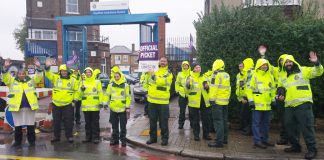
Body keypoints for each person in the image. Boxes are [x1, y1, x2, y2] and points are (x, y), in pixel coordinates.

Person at [277, 52, 323, 159]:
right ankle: (295, 146)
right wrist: (280, 94)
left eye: (289, 61)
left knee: (306, 127)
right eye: (286, 62)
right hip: (289, 105)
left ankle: (312, 149)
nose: (288, 63)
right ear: (283, 65)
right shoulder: (283, 76)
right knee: (289, 127)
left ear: (293, 62)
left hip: (303, 104)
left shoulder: (304, 70)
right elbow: (280, 87)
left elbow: (319, 72)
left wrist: (316, 62)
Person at [2, 58, 43, 147]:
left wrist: (39, 67)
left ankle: (32, 142)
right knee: (18, 126)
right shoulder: (12, 81)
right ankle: (17, 142)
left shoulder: (31, 80)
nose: (21, 75)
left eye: (23, 74)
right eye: (20, 74)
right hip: (17, 107)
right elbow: (5, 78)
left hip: (29, 107)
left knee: (30, 125)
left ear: (25, 74)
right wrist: (5, 67)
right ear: (17, 74)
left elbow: (39, 76)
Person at [45, 58, 79, 143]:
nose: (64, 72)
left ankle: (69, 136)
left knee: (69, 121)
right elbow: (48, 74)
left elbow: (77, 91)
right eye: (62, 71)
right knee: (56, 122)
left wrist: (74, 101)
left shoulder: (73, 79)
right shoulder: (56, 78)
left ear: (67, 71)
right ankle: (56, 137)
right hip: (56, 104)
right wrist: (47, 67)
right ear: (60, 71)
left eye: (65, 71)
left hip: (68, 104)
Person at [246, 59, 276, 149]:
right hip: (257, 104)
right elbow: (249, 89)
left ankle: (264, 140)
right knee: (256, 123)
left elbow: (273, 89)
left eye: (266, 65)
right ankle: (257, 141)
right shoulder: (254, 75)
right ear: (259, 66)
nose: (265, 66)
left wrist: (273, 100)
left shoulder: (270, 76)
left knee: (266, 123)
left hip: (267, 105)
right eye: (263, 65)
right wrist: (251, 101)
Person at [146, 57, 173, 146]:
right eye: (161, 61)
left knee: (163, 122)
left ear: (167, 62)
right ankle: (153, 138)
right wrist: (147, 73)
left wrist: (153, 75)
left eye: (164, 61)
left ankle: (164, 139)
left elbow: (161, 82)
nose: (162, 62)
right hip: (152, 101)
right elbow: (148, 81)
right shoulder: (154, 70)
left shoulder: (168, 73)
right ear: (159, 62)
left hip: (163, 103)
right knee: (152, 121)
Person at [207, 59, 231, 148]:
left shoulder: (215, 75)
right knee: (224, 121)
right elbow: (228, 89)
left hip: (217, 102)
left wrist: (212, 100)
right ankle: (224, 139)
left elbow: (213, 88)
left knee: (218, 121)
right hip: (225, 102)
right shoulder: (226, 75)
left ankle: (219, 141)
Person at [105, 71, 131, 147]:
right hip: (113, 109)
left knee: (123, 126)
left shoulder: (126, 85)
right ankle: (115, 140)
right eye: (115, 76)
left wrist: (127, 107)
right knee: (114, 126)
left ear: (121, 77)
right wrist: (104, 104)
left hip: (123, 109)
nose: (116, 78)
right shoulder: (110, 85)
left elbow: (128, 97)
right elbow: (107, 95)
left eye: (117, 76)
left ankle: (123, 140)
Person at [186, 64, 211, 141]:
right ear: (193, 69)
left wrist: (207, 87)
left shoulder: (204, 77)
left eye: (199, 67)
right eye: (196, 67)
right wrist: (188, 84)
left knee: (206, 119)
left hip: (204, 101)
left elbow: (209, 88)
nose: (198, 68)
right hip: (194, 102)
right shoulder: (190, 77)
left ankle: (206, 135)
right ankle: (196, 135)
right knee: (195, 120)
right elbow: (186, 90)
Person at [79, 67, 103, 144]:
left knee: (95, 123)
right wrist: (81, 90)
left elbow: (100, 93)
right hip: (86, 107)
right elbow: (80, 94)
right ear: (85, 74)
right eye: (87, 72)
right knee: (87, 123)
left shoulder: (97, 82)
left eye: (89, 72)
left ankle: (96, 137)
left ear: (92, 73)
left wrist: (101, 102)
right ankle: (88, 137)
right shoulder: (83, 82)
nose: (88, 73)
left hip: (95, 106)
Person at [273, 54, 290, 145]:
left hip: (290, 99)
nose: (282, 62)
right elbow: (280, 86)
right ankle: (284, 138)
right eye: (280, 60)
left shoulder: (293, 72)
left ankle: (292, 139)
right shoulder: (279, 72)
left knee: (291, 121)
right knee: (283, 120)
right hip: (280, 99)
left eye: (284, 60)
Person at [236, 58, 254, 136]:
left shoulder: (248, 73)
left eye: (241, 66)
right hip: (241, 98)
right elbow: (238, 87)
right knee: (242, 114)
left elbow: (248, 86)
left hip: (247, 97)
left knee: (246, 114)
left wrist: (246, 97)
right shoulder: (238, 75)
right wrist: (240, 98)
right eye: (239, 66)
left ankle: (249, 129)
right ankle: (245, 128)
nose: (240, 68)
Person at [175, 61, 190, 129]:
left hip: (190, 95)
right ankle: (181, 124)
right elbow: (177, 83)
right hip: (182, 94)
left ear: (188, 66)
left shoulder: (191, 74)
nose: (185, 67)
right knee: (182, 110)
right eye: (184, 65)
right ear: (182, 66)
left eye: (186, 65)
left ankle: (192, 124)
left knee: (191, 110)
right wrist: (177, 90)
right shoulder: (179, 74)